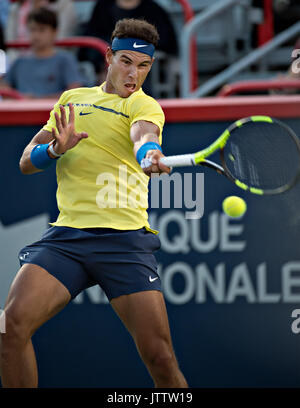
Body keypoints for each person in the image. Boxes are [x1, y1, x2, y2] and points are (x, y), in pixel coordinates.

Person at [0, 18, 188, 388]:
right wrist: (55, 149)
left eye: (144, 65)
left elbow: (143, 135)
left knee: (161, 358)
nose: (134, 74)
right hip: (67, 240)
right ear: (109, 57)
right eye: (126, 62)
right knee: (10, 327)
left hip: (124, 243)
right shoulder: (73, 101)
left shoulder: (144, 106)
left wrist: (150, 153)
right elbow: (25, 161)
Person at [78, 0, 178, 92]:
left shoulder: (153, 9)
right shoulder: (103, 6)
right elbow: (90, 41)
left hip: (145, 72)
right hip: (103, 65)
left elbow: (166, 42)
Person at [0, 8, 82, 99]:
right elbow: (4, 90)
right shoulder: (19, 62)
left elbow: (74, 92)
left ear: (55, 32)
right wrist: (19, 99)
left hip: (54, 112)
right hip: (22, 112)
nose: (36, 35)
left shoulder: (65, 60)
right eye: (32, 30)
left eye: (41, 30)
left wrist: (37, 101)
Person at [5, 0, 77, 42]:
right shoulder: (16, 7)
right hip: (20, 61)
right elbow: (10, 43)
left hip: (51, 61)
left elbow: (62, 39)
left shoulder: (64, 5)